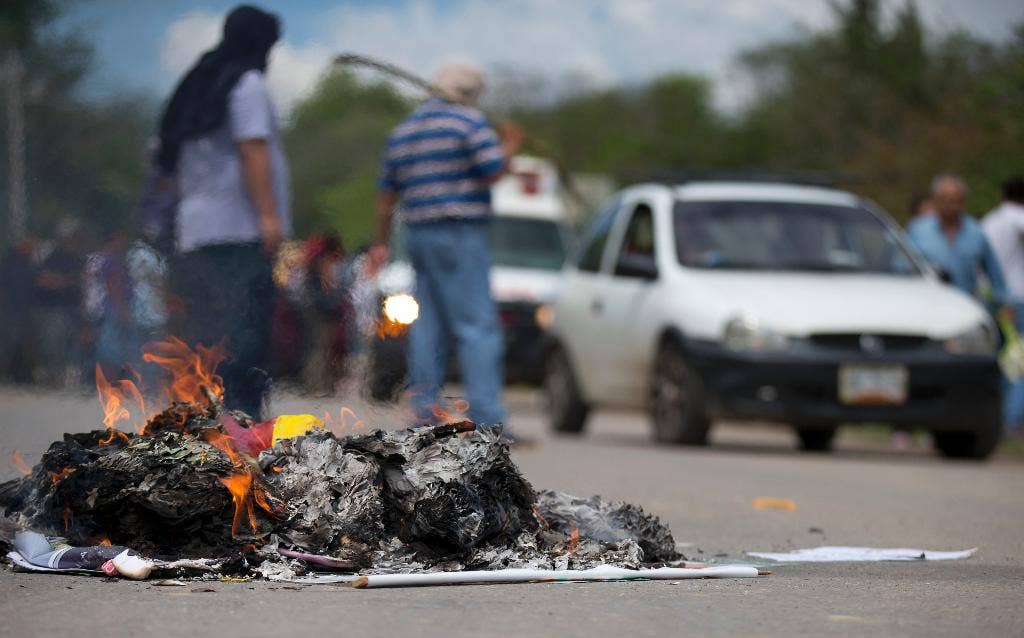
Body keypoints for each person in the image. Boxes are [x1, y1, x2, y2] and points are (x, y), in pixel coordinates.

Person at [370, 63, 523, 430]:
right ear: (471, 94)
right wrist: (511, 145)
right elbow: (491, 169)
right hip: (460, 233)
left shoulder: (404, 130)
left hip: (418, 235)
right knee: (477, 325)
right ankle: (487, 417)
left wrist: (380, 243)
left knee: (428, 326)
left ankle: (424, 412)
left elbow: (386, 196)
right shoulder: (469, 122)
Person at [157, 5, 289, 419]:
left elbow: (169, 169)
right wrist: (269, 216)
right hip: (238, 231)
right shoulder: (246, 84)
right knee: (244, 336)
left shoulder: (197, 86)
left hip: (195, 233)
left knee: (207, 338)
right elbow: (252, 148)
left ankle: (205, 426)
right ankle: (242, 426)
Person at [907, 174, 1007, 302]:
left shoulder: (976, 232)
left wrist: (1004, 300)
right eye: (944, 199)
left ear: (963, 202)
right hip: (927, 303)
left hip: (966, 304)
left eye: (954, 200)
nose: (949, 205)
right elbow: (901, 266)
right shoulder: (917, 230)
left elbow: (994, 271)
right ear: (935, 200)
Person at [983, 176, 1024, 434]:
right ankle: (1011, 420)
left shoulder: (988, 221)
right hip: (1018, 300)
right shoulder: (1018, 219)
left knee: (995, 360)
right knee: (1018, 363)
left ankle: (994, 416)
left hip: (990, 298)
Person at [35, 220, 85, 387]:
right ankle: (51, 376)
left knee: (71, 344)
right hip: (55, 308)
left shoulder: (78, 257)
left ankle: (66, 377)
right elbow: (45, 280)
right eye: (70, 237)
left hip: (73, 307)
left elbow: (82, 280)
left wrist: (62, 281)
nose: (72, 241)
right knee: (53, 342)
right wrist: (65, 281)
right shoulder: (52, 256)